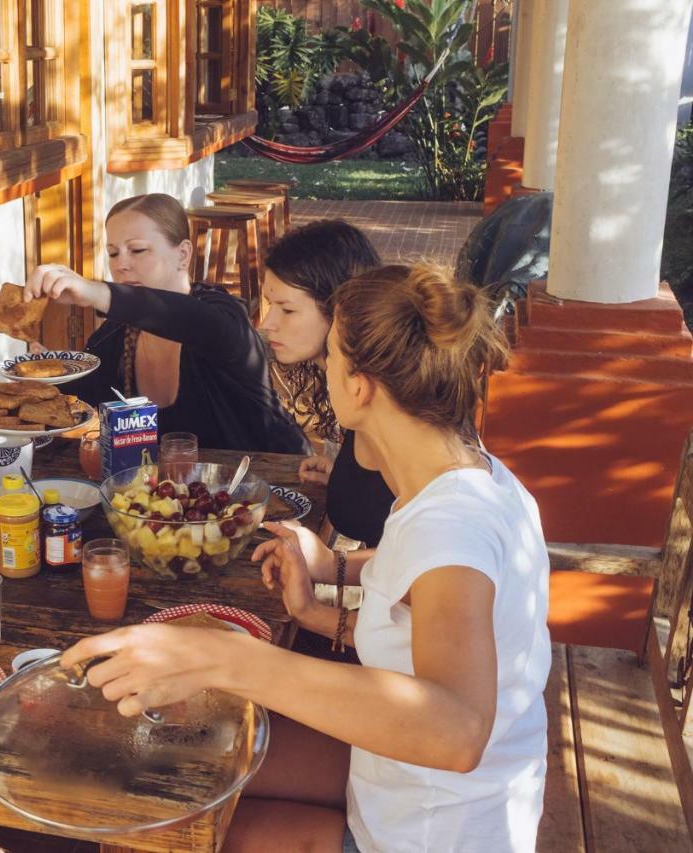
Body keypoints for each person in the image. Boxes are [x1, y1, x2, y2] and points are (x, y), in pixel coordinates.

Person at [64, 264, 551, 853]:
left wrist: (228, 659)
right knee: (168, 758)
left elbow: (457, 730)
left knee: (150, 827)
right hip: (402, 781)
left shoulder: (450, 523)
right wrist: (330, 581)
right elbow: (427, 589)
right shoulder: (472, 479)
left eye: (331, 361)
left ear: (360, 386)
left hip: (423, 831)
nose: (324, 374)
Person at [24, 193, 305, 454]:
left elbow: (202, 324)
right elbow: (73, 405)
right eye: (113, 253)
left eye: (137, 250)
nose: (121, 264)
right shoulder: (112, 338)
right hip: (173, 498)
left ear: (183, 254)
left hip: (278, 483)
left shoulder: (223, 314)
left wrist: (97, 292)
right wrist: (45, 381)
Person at [260, 219, 394, 547]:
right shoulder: (352, 389)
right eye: (269, 306)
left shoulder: (380, 402)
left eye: (287, 310)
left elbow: (410, 547)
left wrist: (329, 567)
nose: (267, 325)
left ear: (339, 309)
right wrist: (347, 477)